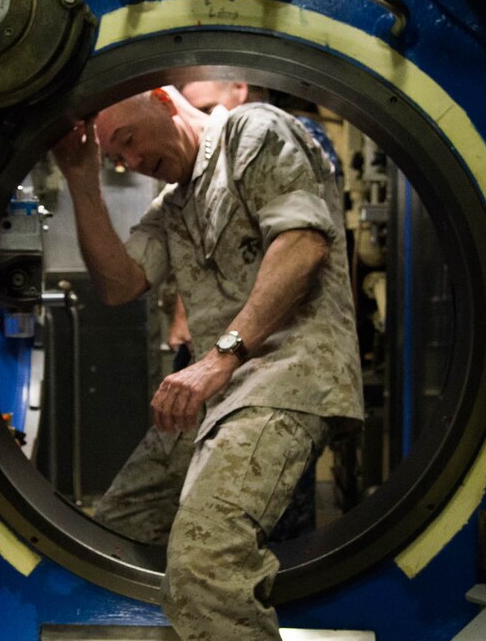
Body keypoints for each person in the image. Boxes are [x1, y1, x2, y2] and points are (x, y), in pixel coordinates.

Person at [51, 86, 363, 640]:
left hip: (284, 379)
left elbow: (302, 243)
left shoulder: (253, 131)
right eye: (118, 159)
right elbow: (120, 284)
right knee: (119, 529)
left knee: (206, 565)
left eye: (128, 141)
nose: (132, 162)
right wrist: (82, 178)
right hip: (222, 396)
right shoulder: (172, 206)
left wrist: (221, 355)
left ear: (163, 101)